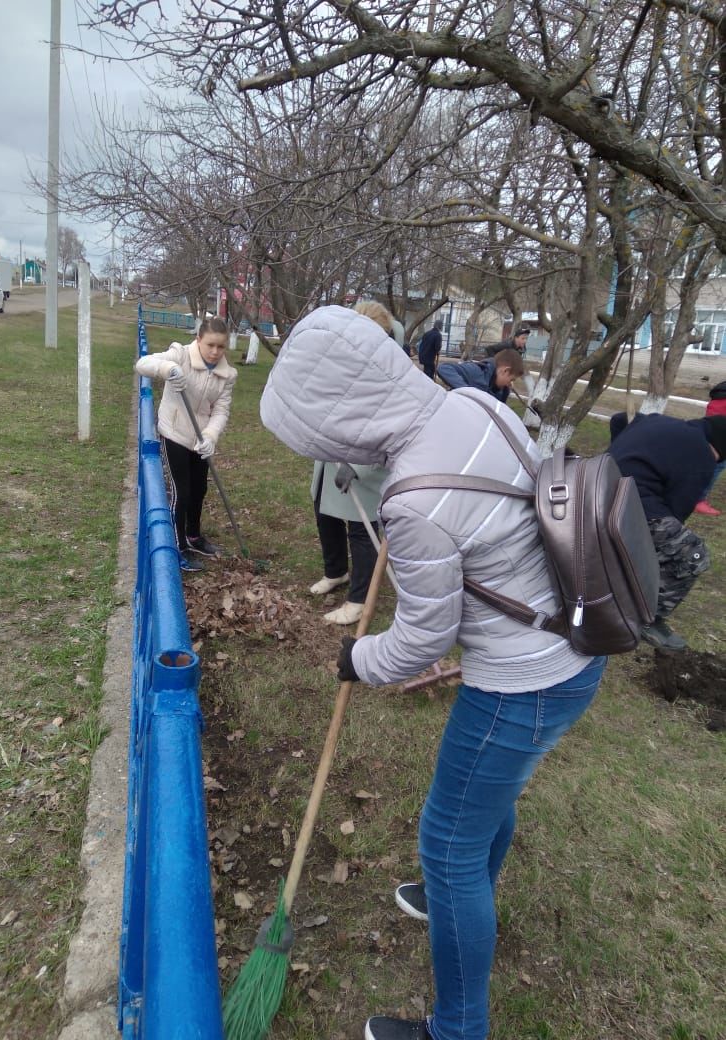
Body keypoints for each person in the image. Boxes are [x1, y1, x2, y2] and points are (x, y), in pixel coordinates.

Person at [260, 305, 605, 1040]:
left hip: (522, 684)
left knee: (447, 840)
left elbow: (423, 640)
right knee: (490, 799)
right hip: (573, 656)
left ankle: (456, 1028)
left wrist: (357, 657)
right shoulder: (472, 402)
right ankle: (461, 898)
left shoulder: (414, 497)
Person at [608, 410, 726, 649]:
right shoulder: (701, 456)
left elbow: (619, 418)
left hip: (598, 488)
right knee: (692, 554)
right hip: (629, 507)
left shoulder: (657, 420)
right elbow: (677, 511)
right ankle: (645, 617)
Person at [307, 300, 393, 625]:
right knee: (324, 515)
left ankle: (358, 600)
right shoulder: (342, 361)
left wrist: (358, 466)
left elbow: (388, 429)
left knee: (361, 530)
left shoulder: (388, 374)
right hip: (330, 457)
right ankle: (336, 572)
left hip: (364, 466)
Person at [135, 317, 237, 572]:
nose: (215, 352)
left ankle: (194, 536)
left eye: (221, 347)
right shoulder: (180, 355)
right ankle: (177, 546)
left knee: (200, 488)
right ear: (199, 340)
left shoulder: (227, 375)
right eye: (210, 345)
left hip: (200, 439)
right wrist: (167, 370)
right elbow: (142, 363)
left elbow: (220, 411)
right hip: (175, 433)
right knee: (182, 492)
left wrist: (211, 436)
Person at [437, 348, 524, 403]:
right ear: (505, 371)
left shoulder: (500, 391)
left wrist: (505, 393)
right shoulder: (477, 371)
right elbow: (445, 368)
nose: (511, 384)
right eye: (511, 379)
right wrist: (468, 391)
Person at [694, 380, 726, 515]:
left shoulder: (719, 393)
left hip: (709, 430)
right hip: (720, 435)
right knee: (717, 465)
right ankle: (698, 500)